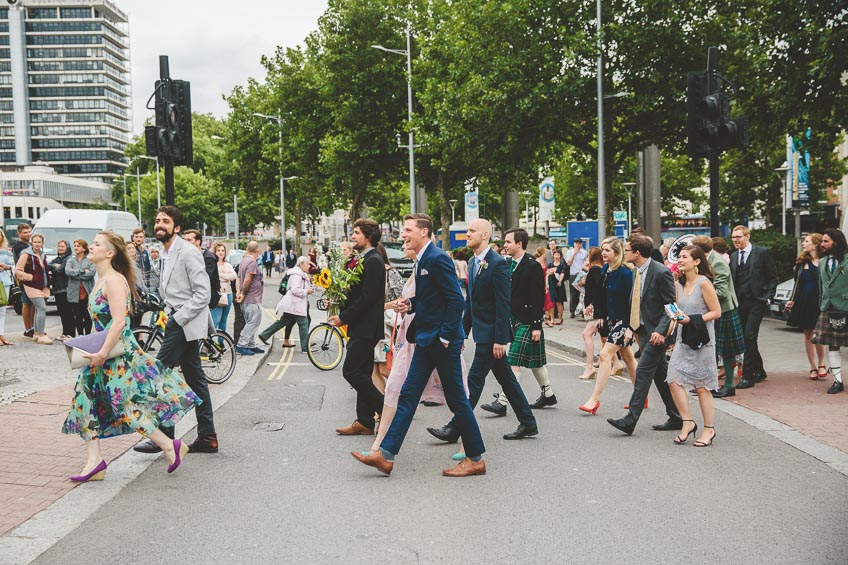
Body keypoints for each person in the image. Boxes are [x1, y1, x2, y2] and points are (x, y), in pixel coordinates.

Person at [352, 213, 487, 477]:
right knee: (408, 396)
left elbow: (455, 301)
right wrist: (410, 304)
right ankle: (386, 456)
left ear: (424, 232)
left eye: (407, 230)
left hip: (439, 342)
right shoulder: (424, 259)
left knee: (458, 401)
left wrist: (446, 338)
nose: (403, 234)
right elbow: (430, 300)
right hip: (425, 339)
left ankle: (476, 458)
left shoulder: (436, 259)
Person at [62, 231, 199, 481]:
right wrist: (88, 347)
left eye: (96, 244)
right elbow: (101, 324)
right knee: (84, 403)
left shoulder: (114, 280)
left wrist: (102, 352)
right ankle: (95, 462)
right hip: (99, 354)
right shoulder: (99, 277)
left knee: (127, 406)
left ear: (110, 253)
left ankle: (170, 446)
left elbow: (118, 322)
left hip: (116, 355)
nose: (90, 247)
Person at [428, 218, 538, 442]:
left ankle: (455, 428)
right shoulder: (472, 262)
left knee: (474, 381)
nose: (467, 234)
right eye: (467, 230)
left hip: (491, 336)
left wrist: (499, 339)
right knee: (507, 380)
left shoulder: (497, 263)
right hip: (482, 332)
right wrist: (461, 333)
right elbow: (470, 304)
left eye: (472, 231)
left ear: (485, 235)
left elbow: (503, 304)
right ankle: (528, 422)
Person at [133, 205, 219, 455]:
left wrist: (178, 318)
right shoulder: (164, 252)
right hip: (177, 321)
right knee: (195, 379)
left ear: (177, 227)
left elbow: (204, 293)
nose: (160, 224)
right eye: (157, 220)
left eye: (166, 221)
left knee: (159, 374)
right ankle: (208, 435)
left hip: (183, 323)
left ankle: (165, 438)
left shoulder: (188, 252)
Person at [606, 235, 683, 435]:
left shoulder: (661, 271)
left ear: (637, 253)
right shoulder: (636, 272)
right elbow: (637, 303)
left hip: (658, 333)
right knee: (660, 376)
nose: (625, 252)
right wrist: (632, 329)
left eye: (628, 249)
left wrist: (660, 330)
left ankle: (630, 420)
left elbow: (671, 306)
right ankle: (676, 416)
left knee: (642, 372)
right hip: (643, 331)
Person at [330, 219, 386, 436]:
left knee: (350, 371)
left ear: (368, 236)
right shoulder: (361, 259)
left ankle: (385, 409)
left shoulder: (373, 261)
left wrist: (342, 317)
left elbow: (368, 298)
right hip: (360, 326)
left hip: (366, 327)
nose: (352, 236)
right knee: (362, 372)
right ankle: (364, 422)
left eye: (356, 233)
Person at [665, 246, 721, 447]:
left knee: (702, 387)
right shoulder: (679, 284)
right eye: (679, 257)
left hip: (702, 341)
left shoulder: (704, 283)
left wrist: (692, 320)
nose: (680, 260)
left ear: (697, 261)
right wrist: (671, 325)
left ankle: (708, 429)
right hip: (682, 340)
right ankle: (687, 422)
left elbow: (716, 312)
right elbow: (679, 312)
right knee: (673, 379)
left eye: (684, 257)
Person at [495, 228, 557, 409]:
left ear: (519, 243)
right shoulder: (509, 264)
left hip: (529, 321)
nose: (504, 245)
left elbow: (537, 298)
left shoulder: (532, 265)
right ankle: (548, 394)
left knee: (512, 361)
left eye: (507, 242)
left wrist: (537, 325)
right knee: (534, 362)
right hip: (515, 318)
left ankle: (503, 401)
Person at [578, 237, 637, 415]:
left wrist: (629, 327)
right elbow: (602, 296)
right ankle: (640, 395)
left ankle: (593, 400)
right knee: (627, 357)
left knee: (605, 355)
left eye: (607, 250)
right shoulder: (605, 269)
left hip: (623, 321)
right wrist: (600, 316)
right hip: (610, 319)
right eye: (602, 250)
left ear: (617, 253)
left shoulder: (627, 273)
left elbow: (632, 302)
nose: (603, 253)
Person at [690, 236, 745, 398]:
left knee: (726, 351)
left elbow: (721, 292)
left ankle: (728, 385)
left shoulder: (718, 262)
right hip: (711, 310)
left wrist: (699, 291)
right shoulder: (706, 260)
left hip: (725, 310)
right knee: (711, 349)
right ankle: (710, 384)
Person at [730, 225, 778, 389]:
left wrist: (768, 298)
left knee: (749, 337)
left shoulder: (761, 252)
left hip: (757, 301)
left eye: (739, 237)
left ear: (747, 236)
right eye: (733, 237)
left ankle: (748, 376)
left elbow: (772, 277)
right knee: (745, 338)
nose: (736, 240)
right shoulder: (734, 256)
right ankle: (760, 370)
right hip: (740, 302)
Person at [812, 228, 848, 394]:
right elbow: (821, 287)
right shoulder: (823, 262)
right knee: (832, 346)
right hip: (828, 308)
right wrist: (821, 305)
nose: (823, 244)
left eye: (826, 241)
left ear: (836, 242)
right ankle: (837, 381)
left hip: (846, 307)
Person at [786, 233, 826, 380]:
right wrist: (792, 300)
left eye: (807, 241)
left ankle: (822, 363)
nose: (803, 243)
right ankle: (812, 367)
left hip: (819, 302)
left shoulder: (824, 261)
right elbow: (797, 284)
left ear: (815, 244)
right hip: (804, 301)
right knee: (807, 334)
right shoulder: (801, 263)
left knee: (819, 334)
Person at [259, 256, 313, 351]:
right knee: (304, 323)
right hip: (295, 304)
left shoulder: (300, 274)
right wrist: (306, 292)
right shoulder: (297, 275)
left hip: (292, 304)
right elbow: (295, 290)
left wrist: (311, 287)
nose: (308, 266)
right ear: (301, 264)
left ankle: (264, 335)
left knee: (283, 321)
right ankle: (305, 347)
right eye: (307, 264)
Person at [15, 233, 52, 344]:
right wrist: (29, 277)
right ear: (32, 242)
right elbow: (18, 270)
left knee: (38, 309)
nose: (37, 244)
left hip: (43, 286)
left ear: (42, 243)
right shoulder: (26, 254)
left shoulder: (43, 254)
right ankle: (41, 334)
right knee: (42, 308)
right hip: (32, 286)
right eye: (35, 242)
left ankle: (36, 333)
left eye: (39, 242)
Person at [579, 246, 605, 380]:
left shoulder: (595, 270)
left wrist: (591, 304)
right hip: (597, 308)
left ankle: (589, 367)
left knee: (586, 334)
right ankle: (616, 364)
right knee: (605, 338)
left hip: (596, 309)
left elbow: (598, 290)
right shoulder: (599, 269)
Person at [234, 241, 265, 356]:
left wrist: (239, 292)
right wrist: (243, 293)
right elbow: (248, 279)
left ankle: (251, 344)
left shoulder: (243, 261)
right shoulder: (251, 262)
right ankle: (242, 345)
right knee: (252, 322)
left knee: (253, 321)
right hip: (251, 298)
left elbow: (238, 278)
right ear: (258, 251)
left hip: (249, 297)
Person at [182, 229, 221, 310]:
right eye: (184, 240)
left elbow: (203, 279)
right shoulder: (186, 257)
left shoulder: (208, 258)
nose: (185, 242)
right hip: (191, 299)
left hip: (208, 299)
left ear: (198, 242)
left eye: (189, 240)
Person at [65, 239, 95, 337]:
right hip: (75, 292)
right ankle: (80, 334)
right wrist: (82, 271)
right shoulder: (71, 260)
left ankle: (88, 334)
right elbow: (68, 272)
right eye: (75, 245)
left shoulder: (90, 259)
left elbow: (91, 273)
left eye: (78, 246)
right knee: (78, 315)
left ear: (84, 248)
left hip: (87, 291)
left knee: (87, 315)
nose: (76, 248)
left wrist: (76, 274)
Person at [12, 223, 35, 337]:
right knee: (26, 303)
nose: (28, 234)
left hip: (32, 277)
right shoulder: (19, 246)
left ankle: (32, 327)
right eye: (25, 232)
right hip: (23, 278)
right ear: (19, 233)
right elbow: (28, 260)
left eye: (29, 232)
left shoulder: (29, 244)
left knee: (33, 303)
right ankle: (28, 329)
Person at [49, 240, 75, 340]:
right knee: (62, 312)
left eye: (62, 246)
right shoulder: (57, 259)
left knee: (68, 312)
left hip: (66, 289)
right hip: (57, 289)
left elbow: (62, 270)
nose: (60, 248)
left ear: (67, 248)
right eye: (59, 246)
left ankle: (71, 333)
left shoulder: (69, 259)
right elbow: (48, 265)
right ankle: (65, 332)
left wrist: (54, 267)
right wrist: (54, 266)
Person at [211, 242, 237, 335]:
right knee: (215, 320)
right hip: (217, 294)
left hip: (228, 294)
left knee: (223, 320)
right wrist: (226, 277)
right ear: (214, 252)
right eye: (218, 250)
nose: (221, 252)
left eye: (223, 250)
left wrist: (221, 275)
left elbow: (234, 276)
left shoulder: (228, 265)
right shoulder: (212, 264)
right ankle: (210, 343)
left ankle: (221, 343)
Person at [566, 238, 588, 318]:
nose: (578, 245)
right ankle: (572, 310)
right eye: (576, 243)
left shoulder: (584, 252)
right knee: (573, 294)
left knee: (583, 292)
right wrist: (574, 254)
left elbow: (586, 262)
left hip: (582, 274)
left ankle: (582, 310)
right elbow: (568, 263)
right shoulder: (570, 252)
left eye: (579, 243)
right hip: (573, 273)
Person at [535, 246, 555, 326]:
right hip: (540, 282)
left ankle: (546, 318)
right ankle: (542, 318)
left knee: (549, 301)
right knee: (542, 301)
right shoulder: (537, 261)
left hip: (545, 282)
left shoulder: (544, 261)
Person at [0, 229, 13, 346]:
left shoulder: (6, 251)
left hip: (4, 281)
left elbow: (12, 265)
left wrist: (5, 266)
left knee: (3, 309)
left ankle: (2, 334)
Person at [547, 249, 567, 324]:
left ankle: (560, 318)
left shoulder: (562, 265)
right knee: (552, 302)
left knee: (559, 302)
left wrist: (560, 281)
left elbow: (562, 273)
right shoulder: (550, 264)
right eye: (555, 255)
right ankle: (552, 318)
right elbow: (548, 272)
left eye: (558, 255)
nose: (556, 256)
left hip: (559, 284)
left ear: (560, 256)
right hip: (551, 283)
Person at [131, 227, 151, 291]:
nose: (138, 239)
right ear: (133, 238)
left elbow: (147, 269)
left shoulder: (145, 252)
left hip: (145, 285)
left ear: (144, 238)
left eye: (140, 237)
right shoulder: (131, 250)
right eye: (136, 237)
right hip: (134, 286)